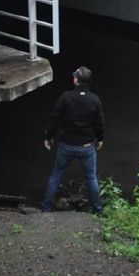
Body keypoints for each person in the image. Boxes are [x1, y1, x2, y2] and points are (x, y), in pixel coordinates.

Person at [40, 66, 105, 213]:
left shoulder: (66, 97)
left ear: (76, 80)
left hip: (67, 145)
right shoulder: (94, 100)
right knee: (91, 177)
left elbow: (54, 118)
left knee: (56, 174)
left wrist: (48, 136)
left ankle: (46, 207)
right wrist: (100, 138)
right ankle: (97, 209)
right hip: (87, 146)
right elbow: (100, 122)